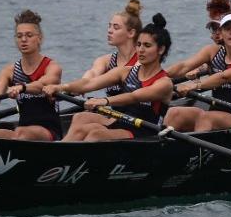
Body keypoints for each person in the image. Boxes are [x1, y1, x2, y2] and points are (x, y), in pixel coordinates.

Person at [44, 15, 174, 141]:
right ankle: (57, 156)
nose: (140, 49)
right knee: (82, 126)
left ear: (161, 49)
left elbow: (134, 96)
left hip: (145, 134)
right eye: (139, 44)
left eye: (147, 45)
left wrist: (104, 101)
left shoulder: (164, 83)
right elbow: (89, 83)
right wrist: (59, 87)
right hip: (121, 123)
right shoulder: (125, 72)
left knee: (96, 135)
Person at [168, 13, 231, 131]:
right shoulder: (212, 52)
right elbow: (184, 66)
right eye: (227, 29)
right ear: (221, 34)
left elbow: (224, 77)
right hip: (215, 112)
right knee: (174, 112)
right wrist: (160, 74)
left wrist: (194, 86)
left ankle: (197, 149)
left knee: (206, 118)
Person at [0, 10, 63, 141]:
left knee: (21, 132)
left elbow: (41, 85)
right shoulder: (9, 71)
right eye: (19, 36)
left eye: (29, 35)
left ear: (40, 38)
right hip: (22, 132)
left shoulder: (52, 67)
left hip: (50, 132)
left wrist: (22, 87)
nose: (24, 40)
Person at [68, 0, 144, 134]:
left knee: (92, 130)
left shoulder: (142, 62)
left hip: (138, 121)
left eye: (116, 27)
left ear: (131, 33)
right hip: (115, 117)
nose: (109, 31)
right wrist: (75, 87)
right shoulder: (105, 61)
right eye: (109, 26)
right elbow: (90, 77)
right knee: (80, 117)